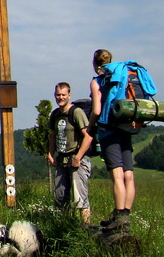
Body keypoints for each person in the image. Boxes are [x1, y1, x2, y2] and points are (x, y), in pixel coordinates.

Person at [88, 49, 135, 234]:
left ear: (95, 63)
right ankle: (126, 215)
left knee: (117, 175)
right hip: (125, 127)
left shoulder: (98, 81)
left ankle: (119, 216)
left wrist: (90, 126)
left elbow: (97, 110)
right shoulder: (123, 74)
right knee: (129, 174)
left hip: (108, 130)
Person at [47, 82, 93, 223]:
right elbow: (53, 135)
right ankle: (63, 226)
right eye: (58, 95)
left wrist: (78, 157)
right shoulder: (55, 114)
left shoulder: (76, 112)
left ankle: (85, 229)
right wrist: (50, 153)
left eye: (63, 95)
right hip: (62, 159)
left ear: (69, 95)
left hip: (76, 159)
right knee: (60, 197)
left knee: (80, 198)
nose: (60, 97)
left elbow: (88, 136)